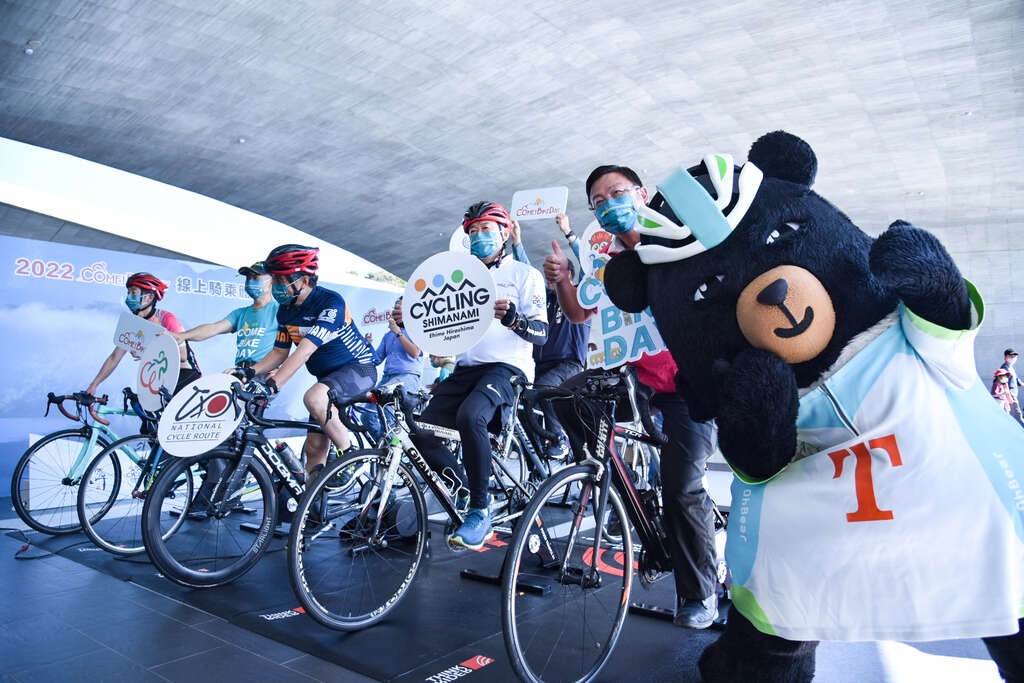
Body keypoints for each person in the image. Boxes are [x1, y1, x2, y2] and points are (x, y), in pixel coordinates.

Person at [543, 165, 720, 629]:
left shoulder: (678, 239)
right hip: (635, 379)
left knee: (682, 487)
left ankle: (700, 592)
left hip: (690, 384)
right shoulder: (604, 256)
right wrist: (563, 279)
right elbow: (579, 313)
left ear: (641, 194)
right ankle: (628, 494)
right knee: (565, 399)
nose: (608, 205)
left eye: (617, 193)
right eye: (598, 202)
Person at [398, 201, 547, 549]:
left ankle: (481, 510)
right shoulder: (461, 277)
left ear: (505, 233)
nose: (479, 236)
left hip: (507, 368)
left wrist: (515, 320)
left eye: (486, 229)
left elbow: (542, 334)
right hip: (466, 369)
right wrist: (410, 321)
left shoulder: (525, 275)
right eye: (473, 231)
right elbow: (437, 324)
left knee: (471, 415)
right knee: (419, 429)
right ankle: (465, 489)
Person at [246, 245, 378, 476]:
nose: (275, 285)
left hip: (359, 369)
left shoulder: (330, 303)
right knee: (314, 449)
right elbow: (278, 353)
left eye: (280, 280)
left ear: (304, 280)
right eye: (274, 279)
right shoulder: (285, 310)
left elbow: (304, 352)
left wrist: (273, 385)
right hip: (328, 380)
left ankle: (351, 457)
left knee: (314, 397)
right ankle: (313, 498)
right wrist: (247, 373)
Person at [86, 272, 201, 397]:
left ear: (149, 297)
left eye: (133, 292)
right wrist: (94, 385)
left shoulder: (166, 318)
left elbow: (183, 356)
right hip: (161, 378)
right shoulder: (133, 324)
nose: (129, 296)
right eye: (128, 292)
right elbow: (114, 358)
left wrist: (149, 354)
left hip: (186, 375)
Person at [162, 262, 279, 368]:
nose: (250, 282)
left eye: (255, 277)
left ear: (272, 281)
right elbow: (213, 328)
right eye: (248, 278)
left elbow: (289, 346)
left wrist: (279, 372)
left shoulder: (279, 309)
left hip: (265, 373)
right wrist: (182, 336)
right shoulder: (241, 313)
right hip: (242, 371)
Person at [360, 296, 423, 441]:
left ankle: (394, 450)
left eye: (399, 307)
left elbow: (415, 353)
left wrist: (398, 333)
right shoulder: (388, 335)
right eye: (394, 307)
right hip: (387, 379)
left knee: (389, 413)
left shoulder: (416, 330)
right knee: (366, 414)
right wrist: (367, 345)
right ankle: (386, 447)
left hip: (407, 376)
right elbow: (376, 359)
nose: (395, 310)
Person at [999, 348, 1023, 426]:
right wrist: (1009, 396)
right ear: (1005, 357)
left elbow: (1016, 380)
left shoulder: (1010, 368)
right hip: (1010, 396)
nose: (1013, 358)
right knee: (1018, 416)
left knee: (1012, 417)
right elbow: (1003, 383)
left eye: (1015, 356)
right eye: (1011, 356)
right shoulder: (1004, 368)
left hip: (1013, 395)